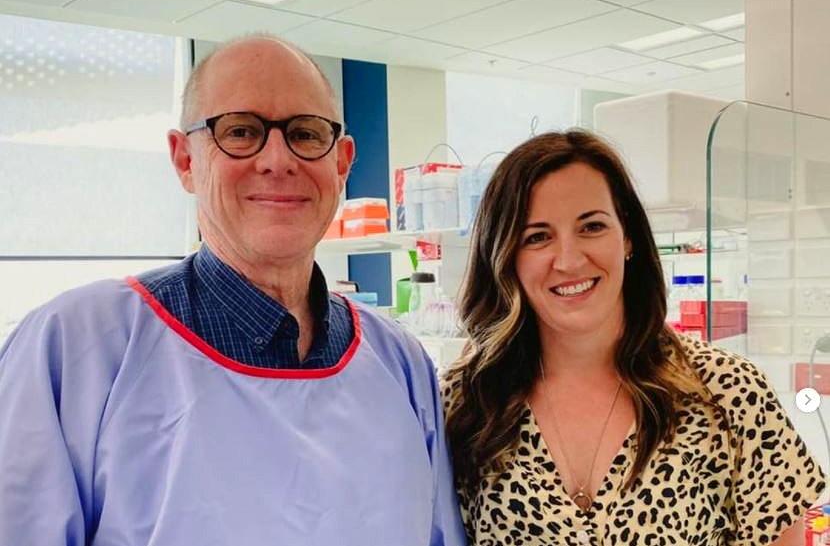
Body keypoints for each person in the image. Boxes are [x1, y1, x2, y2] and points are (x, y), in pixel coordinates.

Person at [0, 35, 466, 546]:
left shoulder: (398, 362)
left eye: (306, 134)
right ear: (184, 160)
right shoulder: (79, 345)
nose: (277, 159)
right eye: (240, 131)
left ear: (341, 161)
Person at [441, 129, 826, 545]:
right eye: (538, 237)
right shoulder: (468, 404)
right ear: (505, 255)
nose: (569, 260)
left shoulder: (728, 391)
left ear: (626, 237)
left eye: (591, 226)